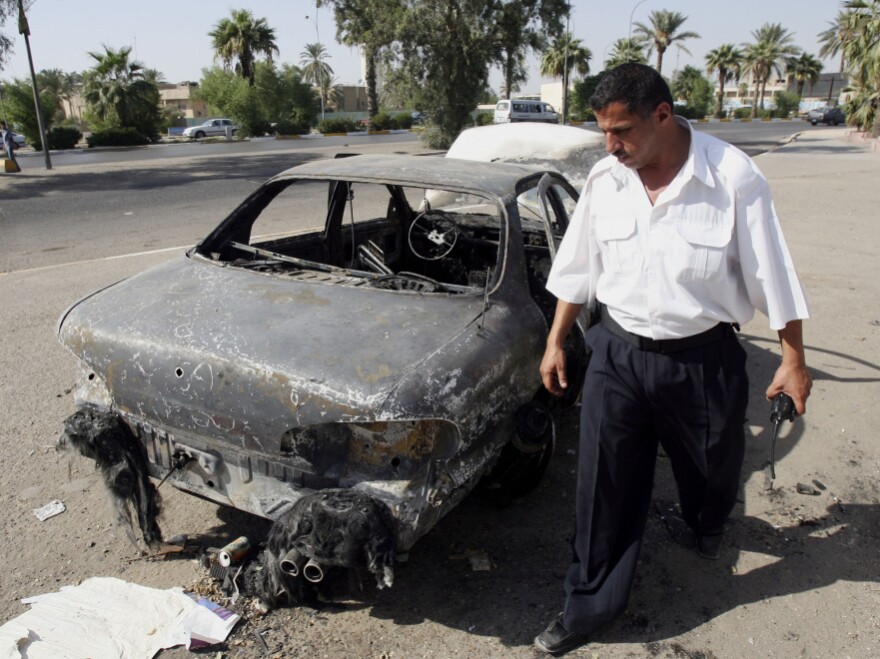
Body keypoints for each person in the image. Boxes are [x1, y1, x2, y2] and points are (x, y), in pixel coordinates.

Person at [534, 63, 812, 655]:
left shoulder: (733, 177)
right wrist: (558, 339)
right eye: (604, 131)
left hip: (703, 358)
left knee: (713, 466)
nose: (610, 146)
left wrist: (794, 360)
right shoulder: (606, 180)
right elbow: (577, 269)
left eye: (623, 131)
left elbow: (773, 277)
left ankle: (708, 521)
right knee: (602, 487)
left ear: (663, 115)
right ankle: (587, 606)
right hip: (618, 352)